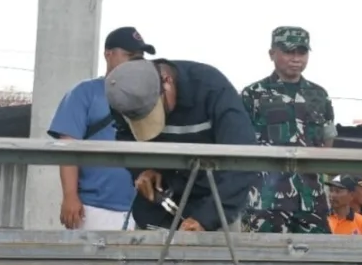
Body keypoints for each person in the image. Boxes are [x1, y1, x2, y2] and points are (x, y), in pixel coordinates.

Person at [104, 58, 259, 232]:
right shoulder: (122, 95)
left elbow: (242, 161)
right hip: (155, 212)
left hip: (214, 208)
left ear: (167, 81)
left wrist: (208, 218)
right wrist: (141, 169)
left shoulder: (213, 89)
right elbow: (126, 137)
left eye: (153, 114)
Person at [46, 26, 156, 230]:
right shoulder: (84, 93)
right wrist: (70, 196)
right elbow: (68, 147)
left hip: (142, 210)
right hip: (94, 209)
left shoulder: (151, 97)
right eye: (130, 56)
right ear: (108, 54)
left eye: (140, 58)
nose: (136, 63)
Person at [240, 26, 336, 234]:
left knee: (317, 253)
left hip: (311, 199)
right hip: (266, 200)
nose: (296, 59)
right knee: (262, 253)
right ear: (272, 54)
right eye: (288, 52)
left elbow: (327, 140)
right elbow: (240, 143)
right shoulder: (253, 94)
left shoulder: (319, 95)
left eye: (301, 52)